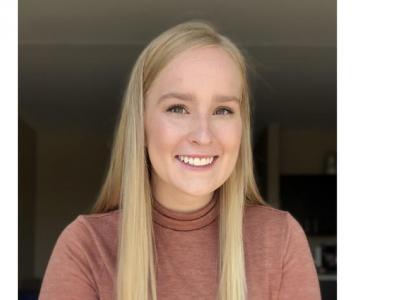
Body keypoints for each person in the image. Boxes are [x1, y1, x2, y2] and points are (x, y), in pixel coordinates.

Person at [39, 21, 321, 300]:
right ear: (141, 126)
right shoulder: (87, 245)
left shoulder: (279, 238)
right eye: (178, 108)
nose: (203, 135)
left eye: (222, 110)